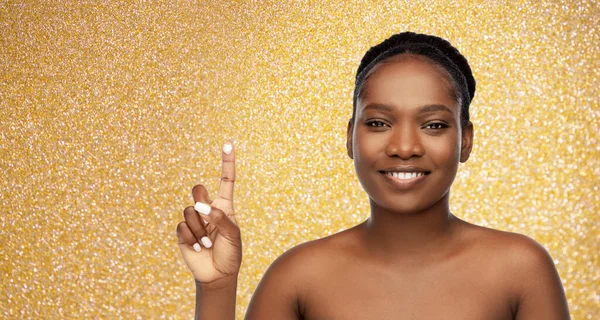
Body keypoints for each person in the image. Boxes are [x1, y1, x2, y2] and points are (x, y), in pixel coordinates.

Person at [176, 32, 570, 319]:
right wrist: (216, 288)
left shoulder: (520, 269)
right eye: (379, 123)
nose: (403, 146)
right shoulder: (298, 277)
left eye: (433, 125)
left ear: (466, 140)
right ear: (350, 137)